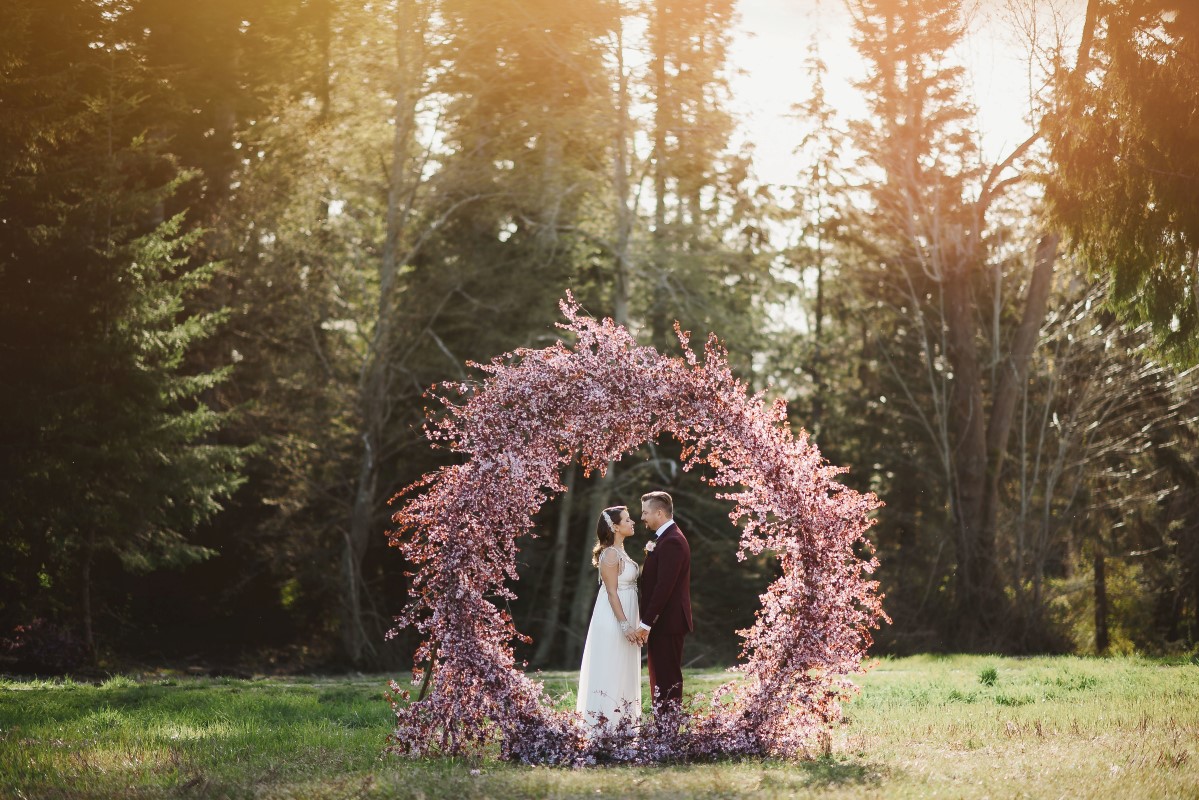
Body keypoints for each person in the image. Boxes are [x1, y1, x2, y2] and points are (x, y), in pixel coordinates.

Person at [576, 505, 643, 733]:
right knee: (612, 667)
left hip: (627, 614)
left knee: (624, 668)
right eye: (627, 519)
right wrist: (625, 625)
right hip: (614, 619)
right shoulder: (611, 554)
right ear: (615, 526)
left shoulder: (621, 551)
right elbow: (612, 592)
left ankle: (624, 728)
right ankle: (604, 729)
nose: (632, 522)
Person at [635, 491, 692, 714]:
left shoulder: (673, 541)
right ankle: (664, 730)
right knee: (659, 676)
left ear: (659, 512)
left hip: (669, 622)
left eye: (645, 512)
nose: (642, 518)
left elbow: (664, 587)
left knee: (667, 677)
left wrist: (647, 622)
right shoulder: (666, 538)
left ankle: (667, 733)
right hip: (664, 622)